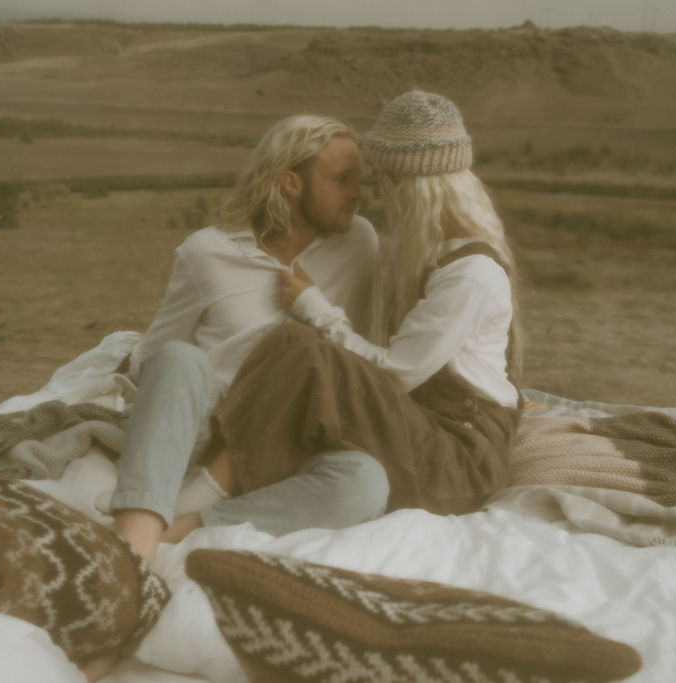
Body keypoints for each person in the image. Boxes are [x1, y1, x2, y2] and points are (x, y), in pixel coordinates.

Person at [208, 90, 524, 519]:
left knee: (310, 357)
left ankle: (205, 488)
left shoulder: (471, 274)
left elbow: (395, 374)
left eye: (385, 182)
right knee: (291, 341)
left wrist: (316, 308)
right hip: (435, 434)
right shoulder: (446, 256)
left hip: (459, 463)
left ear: (416, 189)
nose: (378, 197)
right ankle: (218, 472)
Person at [105, 114, 390, 568]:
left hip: (296, 436)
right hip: (211, 427)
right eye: (342, 180)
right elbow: (156, 355)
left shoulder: (358, 244)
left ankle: (186, 526)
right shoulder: (207, 252)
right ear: (291, 183)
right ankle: (131, 548)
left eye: (360, 178)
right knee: (178, 357)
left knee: (366, 481)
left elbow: (365, 350)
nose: (359, 193)